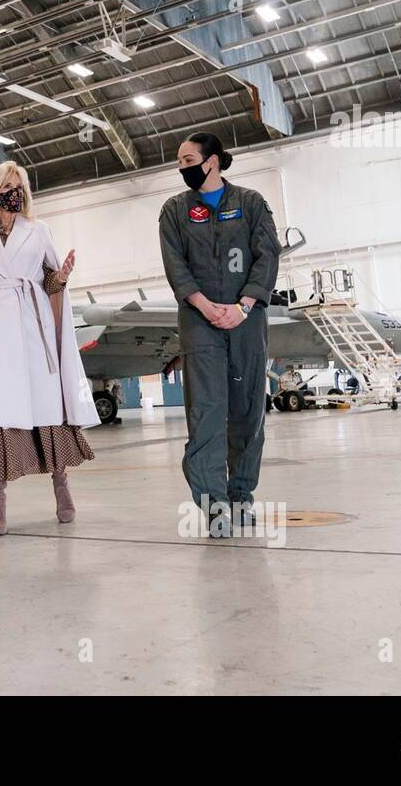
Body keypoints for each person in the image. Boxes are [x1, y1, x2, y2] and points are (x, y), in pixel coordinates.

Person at [0, 160, 100, 536]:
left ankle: (61, 486)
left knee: (47, 407)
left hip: (32, 328)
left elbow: (49, 281)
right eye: (7, 185)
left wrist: (61, 276)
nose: (14, 192)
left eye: (19, 186)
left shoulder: (39, 229)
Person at [158, 132, 280, 538]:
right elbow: (176, 265)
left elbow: (267, 256)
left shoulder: (251, 203)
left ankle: (241, 495)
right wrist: (204, 306)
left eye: (189, 159)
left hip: (247, 318)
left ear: (212, 160)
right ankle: (214, 506)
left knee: (247, 411)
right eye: (179, 161)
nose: (183, 167)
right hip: (198, 320)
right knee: (206, 413)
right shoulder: (174, 211)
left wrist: (244, 305)